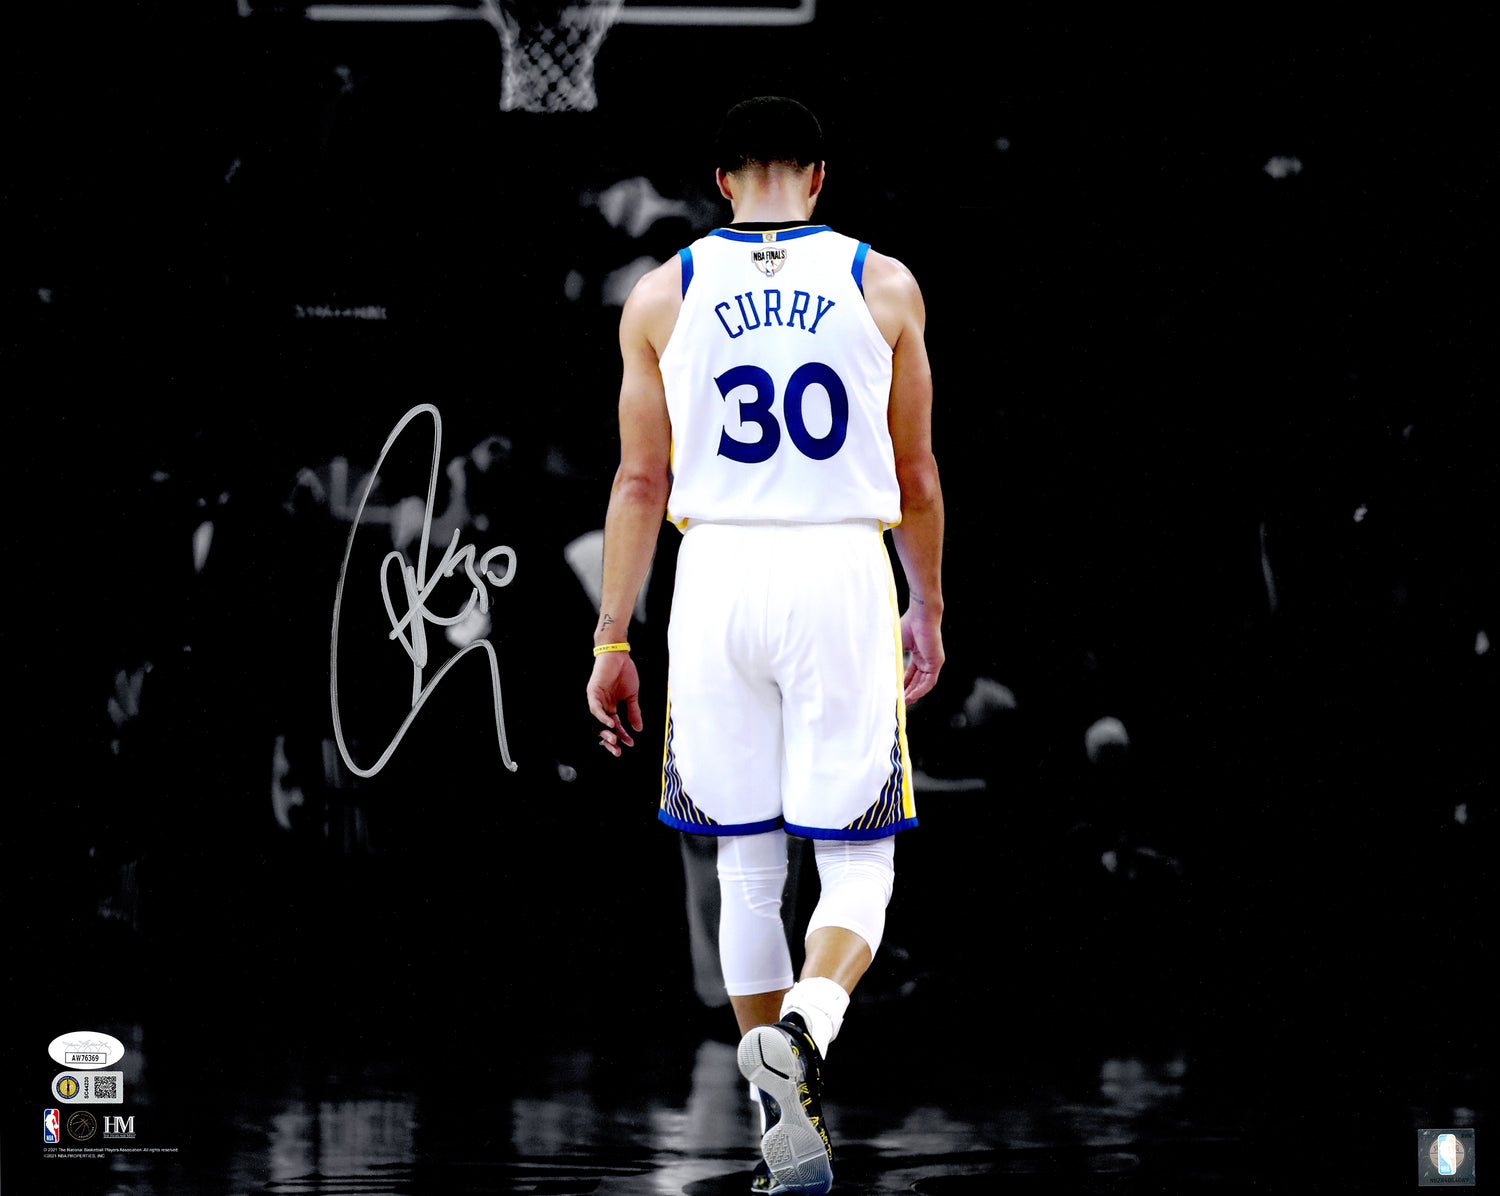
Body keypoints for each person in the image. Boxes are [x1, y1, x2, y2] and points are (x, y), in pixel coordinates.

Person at [585, 96, 944, 1196]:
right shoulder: (884, 284)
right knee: (861, 863)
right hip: (837, 567)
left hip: (715, 575)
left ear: (721, 180)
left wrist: (611, 635)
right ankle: (807, 1026)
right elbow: (918, 477)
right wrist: (925, 603)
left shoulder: (662, 293)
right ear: (820, 176)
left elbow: (637, 481)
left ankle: (778, 1129)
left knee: (744, 865)